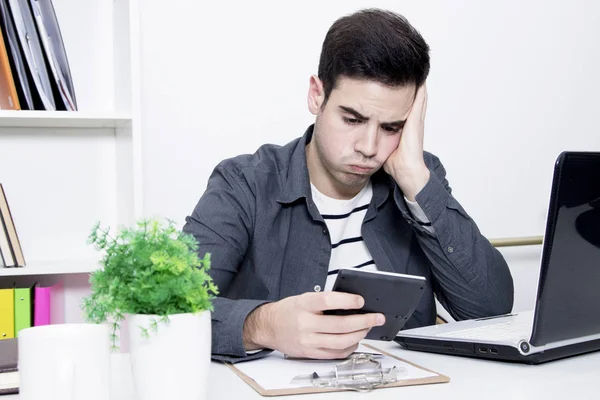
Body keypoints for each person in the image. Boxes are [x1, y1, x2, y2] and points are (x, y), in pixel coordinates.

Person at [183, 8, 514, 363]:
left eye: (391, 127)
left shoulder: (418, 179)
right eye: (352, 119)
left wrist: (417, 183)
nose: (369, 147)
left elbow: (490, 311)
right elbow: (168, 312)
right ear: (316, 95)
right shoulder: (244, 184)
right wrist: (261, 325)